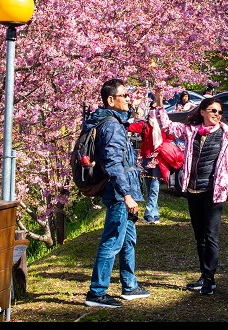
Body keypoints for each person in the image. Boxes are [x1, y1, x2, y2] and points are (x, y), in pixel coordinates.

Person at [152, 93, 228, 296]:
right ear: (202, 112)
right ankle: (203, 275)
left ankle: (210, 279)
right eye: (213, 111)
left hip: (214, 193)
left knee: (211, 236)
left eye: (220, 112)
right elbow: (167, 127)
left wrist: (225, 180)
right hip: (194, 191)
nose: (217, 115)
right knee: (199, 236)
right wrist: (159, 105)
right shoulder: (192, 131)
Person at [83, 79, 150, 308]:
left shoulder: (114, 122)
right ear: (111, 100)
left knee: (128, 239)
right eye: (124, 95)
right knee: (113, 240)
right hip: (121, 192)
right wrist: (126, 195)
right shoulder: (110, 125)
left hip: (126, 190)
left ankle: (129, 285)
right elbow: (113, 163)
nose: (128, 99)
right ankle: (97, 292)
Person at [127, 105, 176, 225]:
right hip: (146, 160)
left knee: (155, 187)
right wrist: (131, 113)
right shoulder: (144, 125)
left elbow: (172, 136)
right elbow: (129, 127)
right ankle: (155, 214)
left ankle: (149, 214)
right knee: (149, 188)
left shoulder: (163, 127)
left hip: (158, 160)